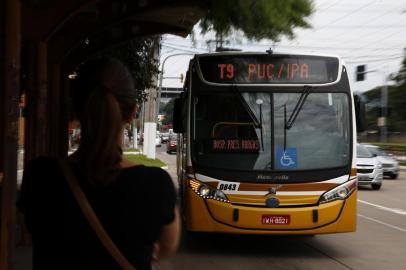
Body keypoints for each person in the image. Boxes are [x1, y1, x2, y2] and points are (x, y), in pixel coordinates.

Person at [17, 57, 180, 270]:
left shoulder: (40, 176)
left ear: (75, 110)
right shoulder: (157, 185)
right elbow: (167, 247)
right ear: (132, 113)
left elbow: (35, 229)